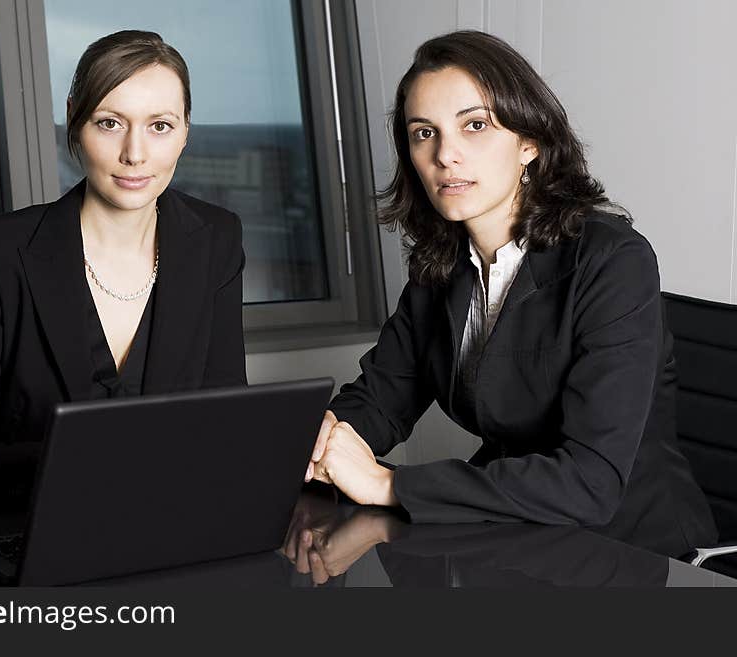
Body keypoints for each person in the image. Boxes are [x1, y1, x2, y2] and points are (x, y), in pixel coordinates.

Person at [305, 30, 717, 558]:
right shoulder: (442, 265)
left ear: (530, 142)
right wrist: (326, 437)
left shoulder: (612, 260)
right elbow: (383, 397)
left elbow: (589, 482)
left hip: (631, 552)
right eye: (423, 133)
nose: (445, 155)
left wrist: (389, 485)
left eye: (474, 126)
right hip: (514, 539)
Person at [0, 31, 246, 497]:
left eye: (160, 126)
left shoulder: (217, 239)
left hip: (173, 519)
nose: (135, 154)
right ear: (74, 118)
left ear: (186, 130)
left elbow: (225, 411)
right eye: (110, 123)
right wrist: (87, 461)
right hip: (31, 525)